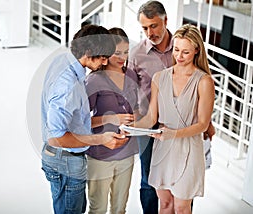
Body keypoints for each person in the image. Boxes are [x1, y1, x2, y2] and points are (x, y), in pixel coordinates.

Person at [128, 1, 215, 213]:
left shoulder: (203, 80)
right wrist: (129, 127)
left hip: (185, 141)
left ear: (195, 51)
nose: (179, 56)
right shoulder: (153, 70)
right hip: (158, 139)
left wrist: (175, 133)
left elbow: (201, 120)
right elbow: (146, 113)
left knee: (182, 204)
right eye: (176, 50)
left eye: (185, 52)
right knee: (158, 196)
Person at [41, 24, 129, 214]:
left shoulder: (65, 62)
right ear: (89, 52)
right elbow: (56, 137)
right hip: (66, 159)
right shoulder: (67, 85)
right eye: (103, 57)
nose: (105, 63)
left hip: (67, 157)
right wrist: (100, 139)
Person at [85, 27, 139, 214]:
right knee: (98, 209)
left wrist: (135, 121)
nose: (122, 57)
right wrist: (111, 118)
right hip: (100, 156)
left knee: (119, 209)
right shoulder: (93, 80)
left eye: (126, 51)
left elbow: (138, 108)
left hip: (127, 153)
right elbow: (83, 122)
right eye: (117, 53)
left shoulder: (131, 75)